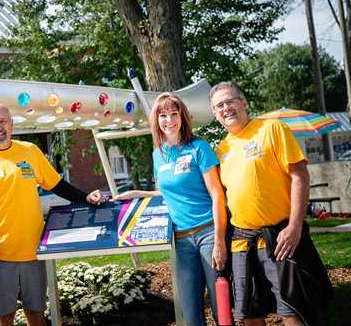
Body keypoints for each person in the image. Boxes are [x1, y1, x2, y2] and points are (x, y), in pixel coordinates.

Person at [0, 103, 105, 326]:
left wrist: (85, 198)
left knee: (35, 314)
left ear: (12, 124)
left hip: (34, 250)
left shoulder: (30, 151)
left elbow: (58, 185)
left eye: (3, 121)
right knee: (3, 318)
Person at [210, 81, 332, 326]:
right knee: (250, 315)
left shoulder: (272, 129)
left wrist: (295, 226)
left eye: (230, 101)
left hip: (280, 236)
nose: (226, 108)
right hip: (242, 242)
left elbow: (300, 175)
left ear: (243, 103)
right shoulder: (220, 149)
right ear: (215, 113)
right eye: (219, 105)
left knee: (292, 310)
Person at [114, 93, 227, 326]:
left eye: (174, 114)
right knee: (191, 313)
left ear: (182, 117)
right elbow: (170, 192)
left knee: (221, 308)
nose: (169, 120)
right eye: (163, 115)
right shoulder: (159, 154)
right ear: (156, 120)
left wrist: (219, 241)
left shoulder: (199, 148)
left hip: (208, 232)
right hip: (181, 240)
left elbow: (217, 194)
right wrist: (138, 194)